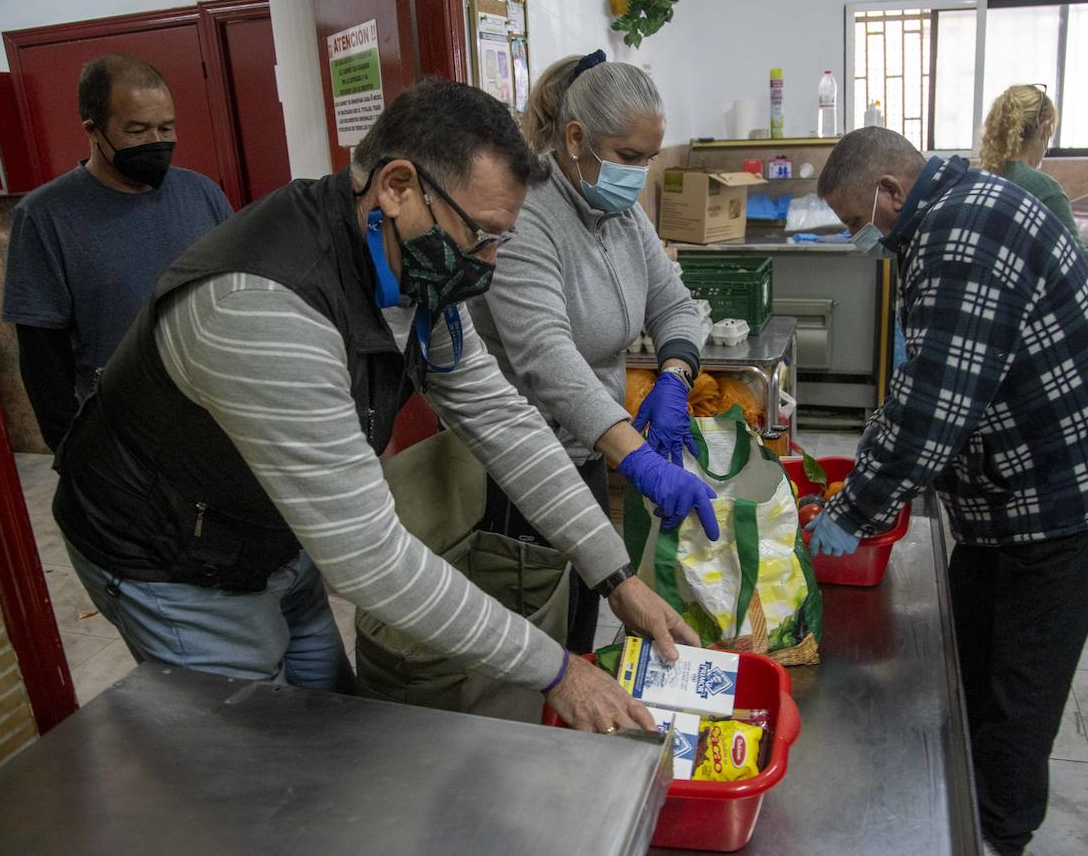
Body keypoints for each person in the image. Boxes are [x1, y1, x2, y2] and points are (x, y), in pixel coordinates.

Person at [50, 78, 698, 734]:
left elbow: (502, 418)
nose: (491, 264)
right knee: (259, 763)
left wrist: (614, 574)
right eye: (482, 237)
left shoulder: (415, 263)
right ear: (396, 186)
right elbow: (372, 559)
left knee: (334, 725)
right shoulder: (263, 306)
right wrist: (556, 670)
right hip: (172, 556)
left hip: (273, 529)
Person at [810, 128, 1088, 856]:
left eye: (855, 223)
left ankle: (998, 837)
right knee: (966, 658)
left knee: (1018, 698)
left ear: (889, 192)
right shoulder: (958, 208)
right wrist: (872, 462)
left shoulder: (960, 239)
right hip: (1013, 492)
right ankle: (963, 807)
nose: (858, 241)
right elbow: (916, 385)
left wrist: (852, 511)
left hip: (1065, 494)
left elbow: (936, 410)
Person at [471, 50, 716, 655]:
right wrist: (639, 462)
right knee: (537, 640)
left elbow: (677, 305)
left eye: (650, 159)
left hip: (588, 450)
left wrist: (676, 377)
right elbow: (546, 359)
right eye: (629, 158)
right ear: (575, 138)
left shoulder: (622, 216)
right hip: (517, 468)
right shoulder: (526, 218)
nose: (639, 174)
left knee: (583, 621)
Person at [2, 54, 233, 451]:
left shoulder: (202, 194)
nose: (156, 141)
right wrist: (72, 452)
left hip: (218, 414)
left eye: (166, 127)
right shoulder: (45, 216)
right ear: (94, 130)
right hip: (126, 432)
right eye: (137, 130)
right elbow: (43, 356)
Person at [979, 83, 1088, 362]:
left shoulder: (984, 180)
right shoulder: (1042, 188)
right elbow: (1077, 258)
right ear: (1043, 131)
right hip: (1029, 329)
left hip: (986, 323)